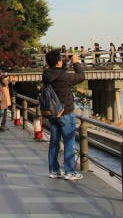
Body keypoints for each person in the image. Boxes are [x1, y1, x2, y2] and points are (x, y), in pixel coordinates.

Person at [42, 49, 85, 180]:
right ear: (58, 62)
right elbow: (81, 76)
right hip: (65, 112)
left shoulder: (46, 74)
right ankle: (69, 171)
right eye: (60, 59)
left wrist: (66, 61)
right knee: (69, 142)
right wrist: (76, 63)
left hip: (53, 113)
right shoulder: (64, 76)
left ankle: (54, 170)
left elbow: (58, 69)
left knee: (54, 141)